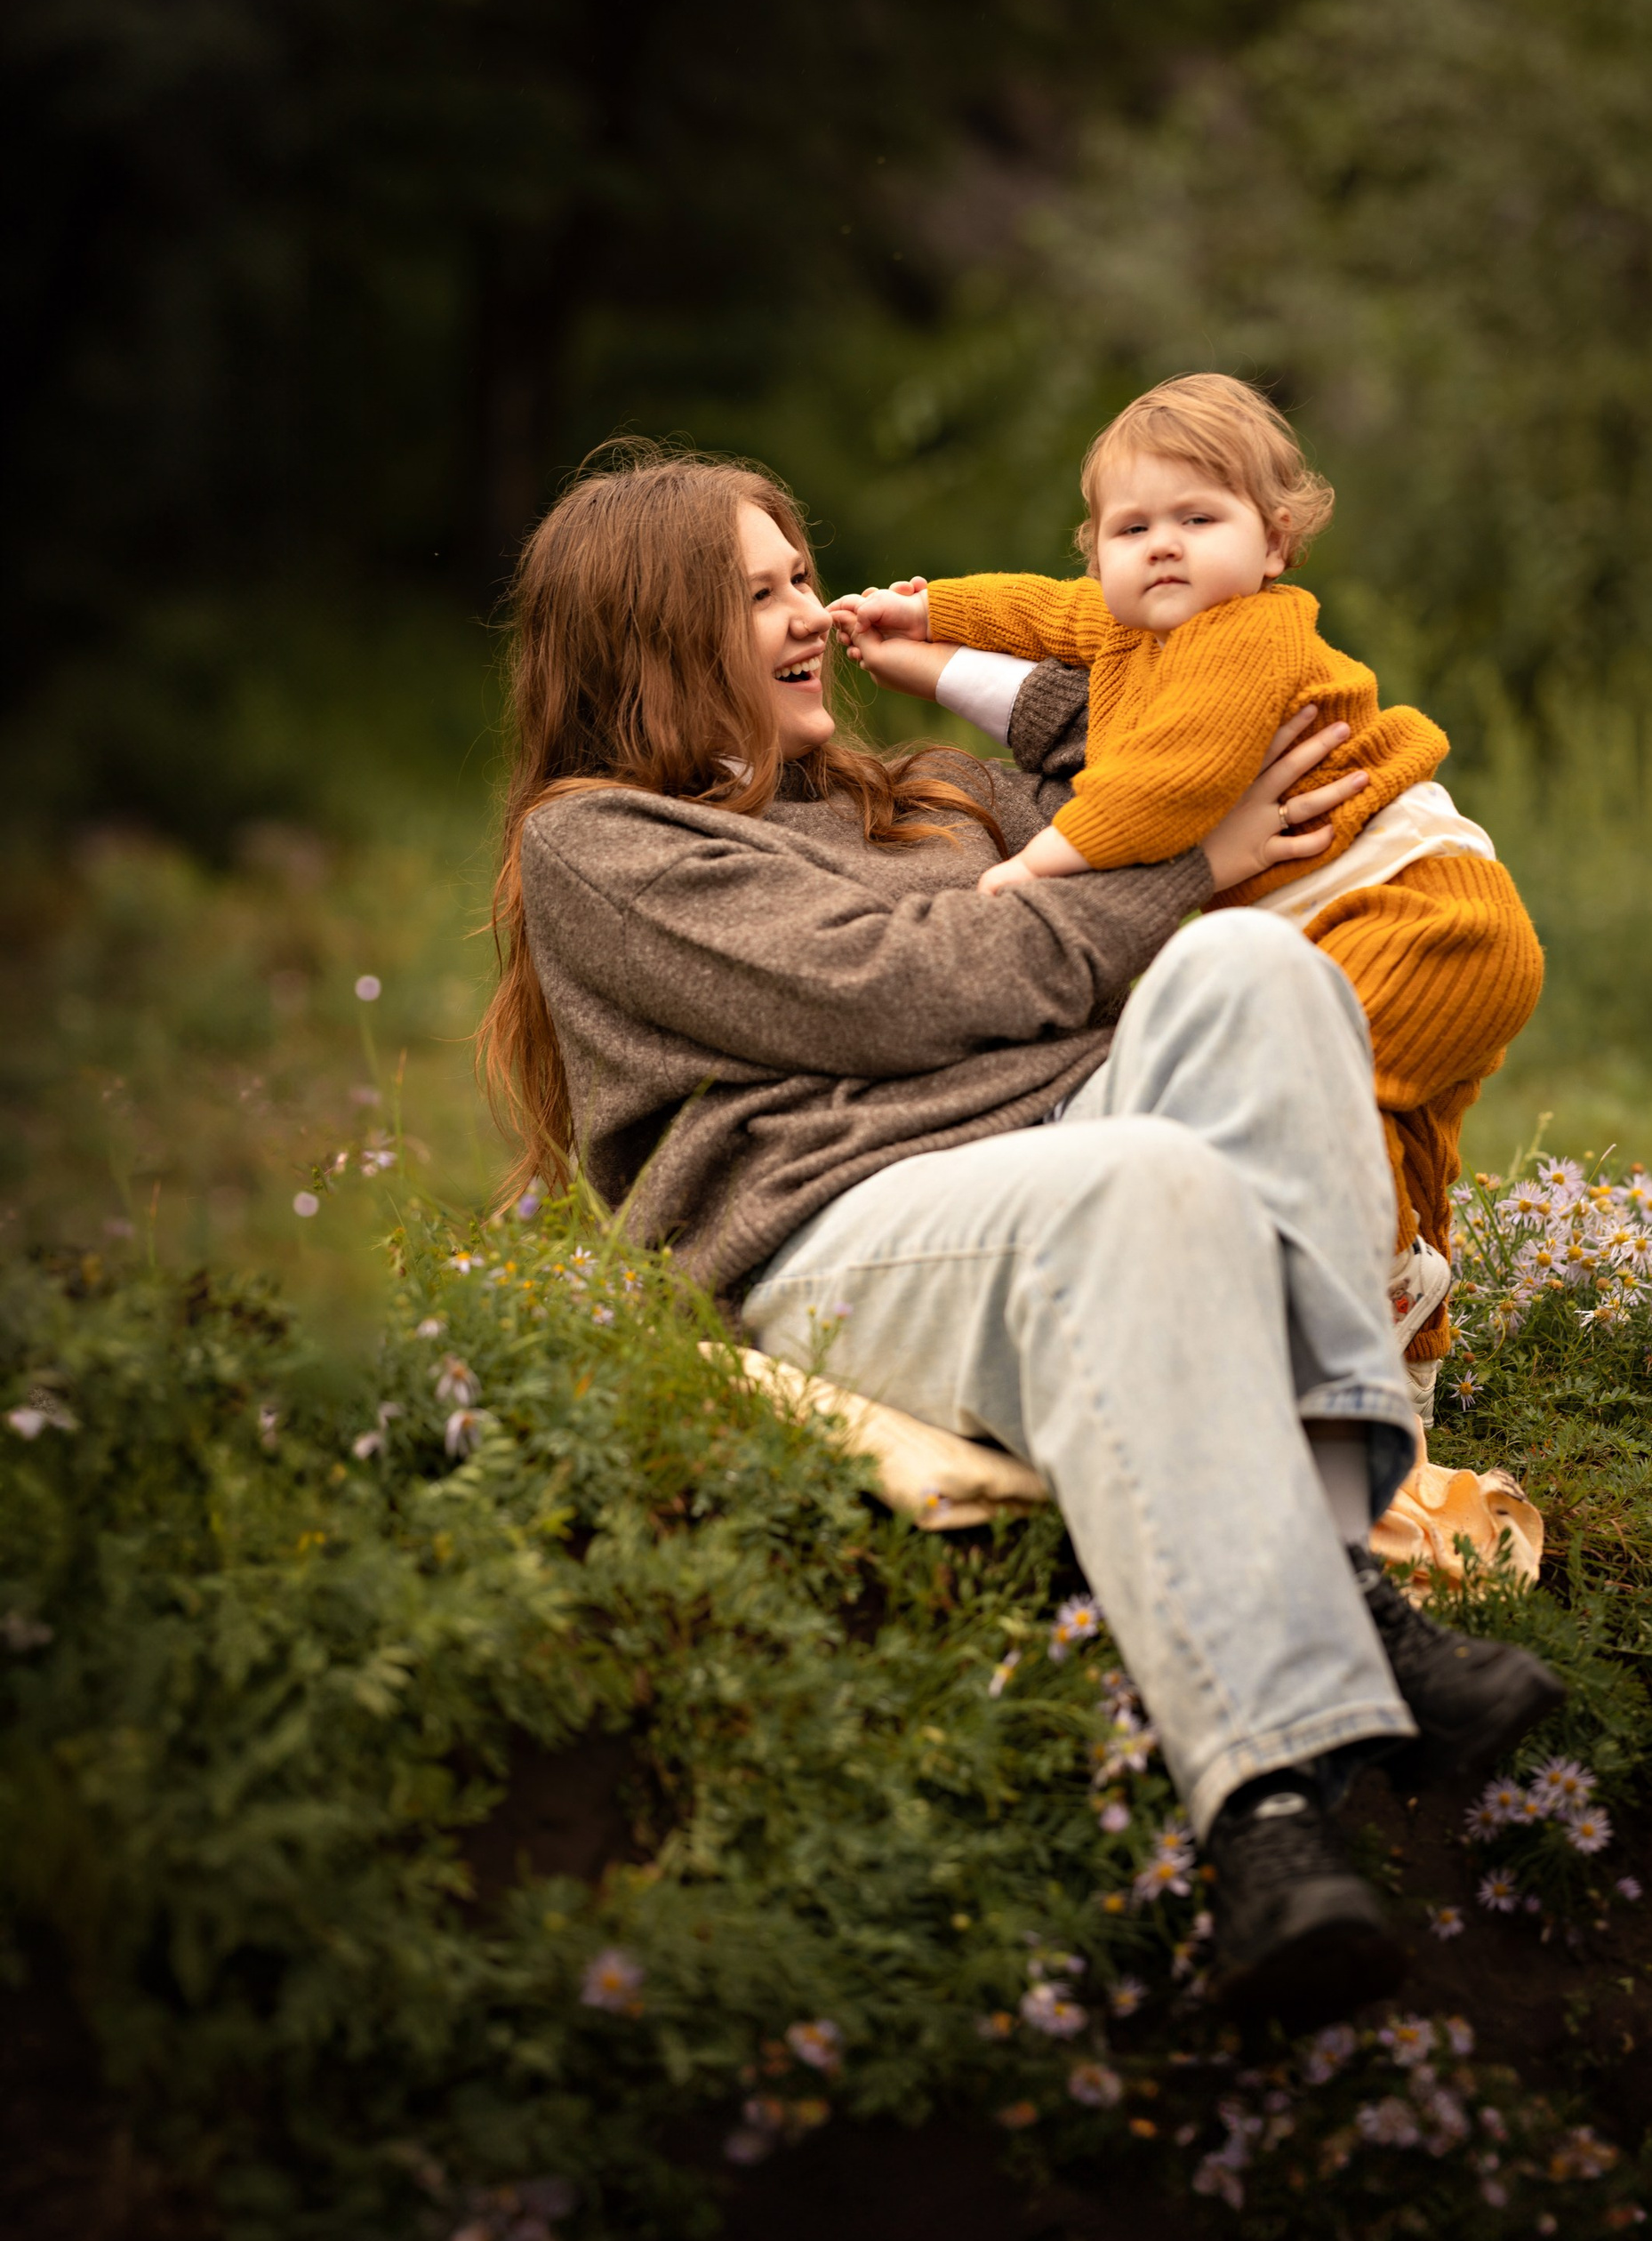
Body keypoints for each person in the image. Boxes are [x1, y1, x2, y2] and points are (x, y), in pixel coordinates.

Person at [480, 446, 1562, 2032]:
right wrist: (1191, 868)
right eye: (756, 591)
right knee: (1144, 1147)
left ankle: (1341, 1556)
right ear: (647, 640)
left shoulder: (927, 788)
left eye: (803, 576)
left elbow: (1148, 740)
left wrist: (967, 667)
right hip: (845, 1231)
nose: (801, 610)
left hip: (1070, 1153)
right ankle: (1266, 1808)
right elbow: (899, 983)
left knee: (1266, 974)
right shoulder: (608, 847)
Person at [829, 373, 1544, 1415]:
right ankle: (1407, 1369)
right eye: (1131, 526)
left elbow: (1169, 788)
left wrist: (1036, 865)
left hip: (1418, 912)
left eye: (1197, 517)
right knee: (1396, 1135)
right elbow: (1037, 611)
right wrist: (926, 612)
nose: (1161, 543)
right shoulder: (1135, 629)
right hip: (1376, 919)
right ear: (1101, 550)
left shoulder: (1244, 636)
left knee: (1322, 1110)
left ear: (1275, 542)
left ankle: (1354, 1311)